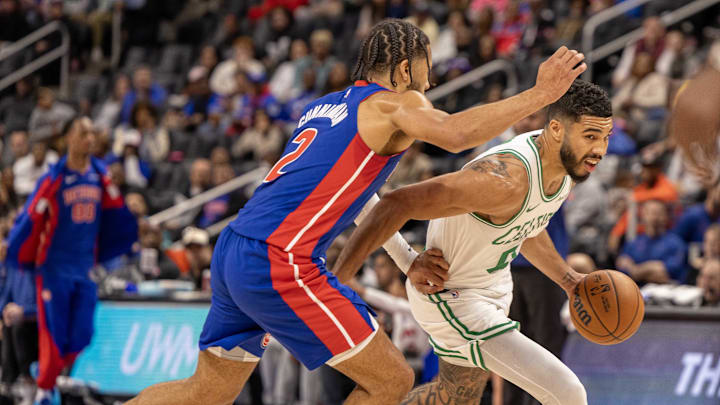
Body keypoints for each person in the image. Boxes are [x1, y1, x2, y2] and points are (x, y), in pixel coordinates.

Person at [127, 18, 586, 405]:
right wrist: (539, 94)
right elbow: (452, 134)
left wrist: (406, 262)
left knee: (208, 391)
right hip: (278, 260)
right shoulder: (395, 102)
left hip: (234, 250)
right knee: (391, 380)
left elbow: (362, 197)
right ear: (405, 69)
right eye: (426, 71)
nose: (430, 83)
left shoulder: (323, 107)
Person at [333, 80, 612, 405]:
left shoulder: (564, 167)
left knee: (453, 397)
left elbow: (527, 225)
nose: (600, 150)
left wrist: (568, 280)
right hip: (450, 294)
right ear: (556, 130)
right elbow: (397, 203)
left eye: (606, 137)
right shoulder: (502, 180)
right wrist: (393, 263)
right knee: (568, 392)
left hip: (491, 288)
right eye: (590, 136)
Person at [5, 116, 137, 405]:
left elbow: (114, 213)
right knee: (52, 334)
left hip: (84, 269)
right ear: (69, 139)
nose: (90, 137)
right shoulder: (55, 177)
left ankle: (47, 375)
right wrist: (16, 248)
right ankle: (44, 388)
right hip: (53, 269)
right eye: (83, 132)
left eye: (92, 132)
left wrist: (127, 234)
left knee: (84, 334)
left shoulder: (100, 175)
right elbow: (30, 217)